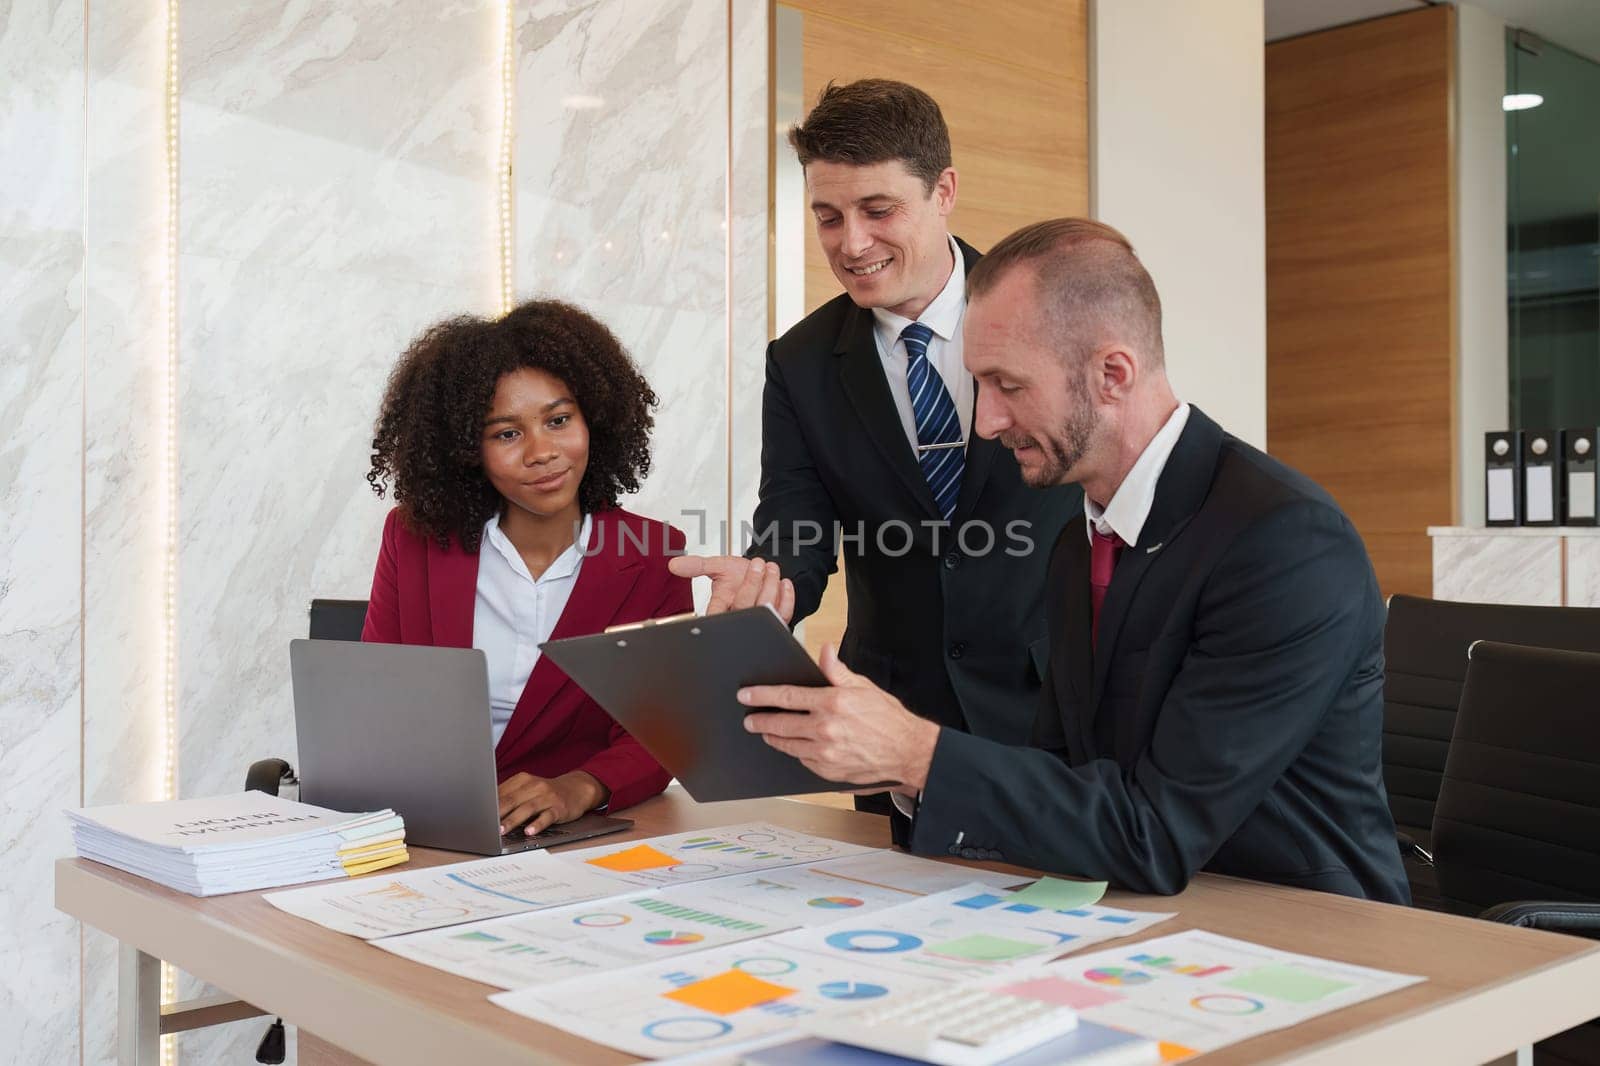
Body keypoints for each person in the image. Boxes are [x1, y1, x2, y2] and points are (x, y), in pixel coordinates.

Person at [734, 218, 1410, 904]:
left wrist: (918, 754)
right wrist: (899, 772)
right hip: (1137, 916)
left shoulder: (1286, 545)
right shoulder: (1078, 540)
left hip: (1307, 932)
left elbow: (1155, 831)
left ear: (1112, 374)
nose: (987, 422)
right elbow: (1065, 775)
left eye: (1007, 385)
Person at [670, 80, 1080, 828]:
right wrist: (773, 588)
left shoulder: (1050, 313)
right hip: (886, 726)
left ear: (944, 190)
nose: (850, 243)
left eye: (878, 211)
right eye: (828, 217)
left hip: (1055, 710)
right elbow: (796, 521)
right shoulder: (799, 361)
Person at [361, 299, 689, 837]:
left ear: (595, 421)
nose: (542, 452)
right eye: (506, 433)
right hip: (427, 826)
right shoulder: (414, 538)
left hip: (567, 838)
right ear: (467, 448)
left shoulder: (654, 554)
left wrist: (576, 788)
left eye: (558, 421)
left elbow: (659, 731)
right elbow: (379, 696)